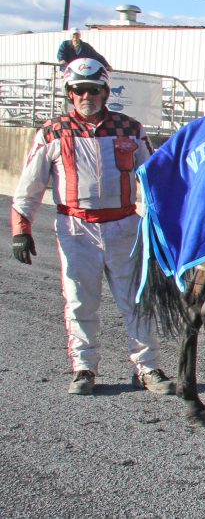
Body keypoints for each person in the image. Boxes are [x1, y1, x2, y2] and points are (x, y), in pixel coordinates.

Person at [10, 58, 174, 397]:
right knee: (80, 301)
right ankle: (84, 368)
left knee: (137, 300)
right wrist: (21, 228)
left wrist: (167, 223)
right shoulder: (52, 132)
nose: (87, 96)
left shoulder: (131, 128)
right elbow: (30, 186)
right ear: (70, 93)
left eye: (94, 90)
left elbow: (155, 180)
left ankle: (147, 368)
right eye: (79, 90)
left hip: (126, 226)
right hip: (75, 228)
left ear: (105, 91)